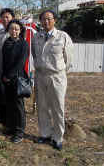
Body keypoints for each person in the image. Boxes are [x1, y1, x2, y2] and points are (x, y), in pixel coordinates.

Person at [32, 10, 73, 151]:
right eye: (43, 19)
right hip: (40, 75)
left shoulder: (62, 36)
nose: (46, 22)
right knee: (42, 106)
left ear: (55, 20)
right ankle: (45, 134)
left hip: (56, 76)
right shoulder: (36, 37)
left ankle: (58, 138)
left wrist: (58, 71)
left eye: (49, 19)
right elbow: (34, 55)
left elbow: (67, 59)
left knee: (57, 108)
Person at [2, 19, 29, 143]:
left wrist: (9, 74)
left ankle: (19, 131)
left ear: (20, 30)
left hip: (17, 77)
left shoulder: (23, 43)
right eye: (11, 28)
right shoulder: (6, 42)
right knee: (8, 103)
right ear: (8, 30)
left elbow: (21, 62)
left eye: (16, 29)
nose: (14, 31)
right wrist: (3, 75)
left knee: (18, 105)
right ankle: (11, 127)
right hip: (6, 78)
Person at [0, 8, 15, 126]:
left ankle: (11, 119)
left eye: (7, 17)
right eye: (3, 17)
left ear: (12, 18)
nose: (5, 19)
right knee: (0, 93)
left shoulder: (16, 32)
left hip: (11, 69)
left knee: (11, 96)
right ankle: (1, 117)